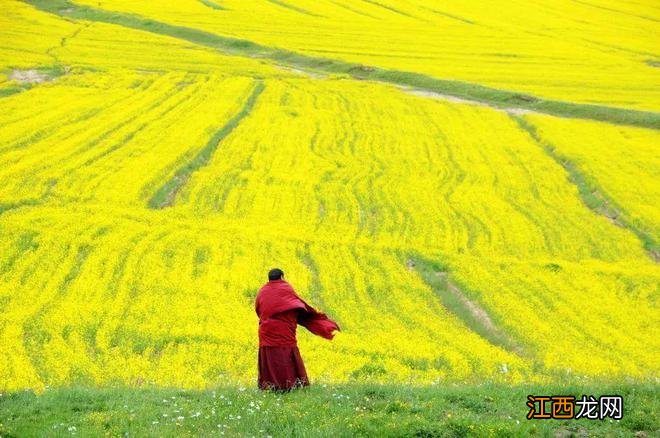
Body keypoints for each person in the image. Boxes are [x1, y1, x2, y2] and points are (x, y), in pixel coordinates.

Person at [255, 268, 340, 391]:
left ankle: (270, 385)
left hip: (266, 331)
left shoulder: (262, 291)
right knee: (285, 357)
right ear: (282, 277)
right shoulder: (286, 288)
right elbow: (296, 304)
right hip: (283, 330)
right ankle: (290, 385)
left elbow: (258, 310)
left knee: (270, 357)